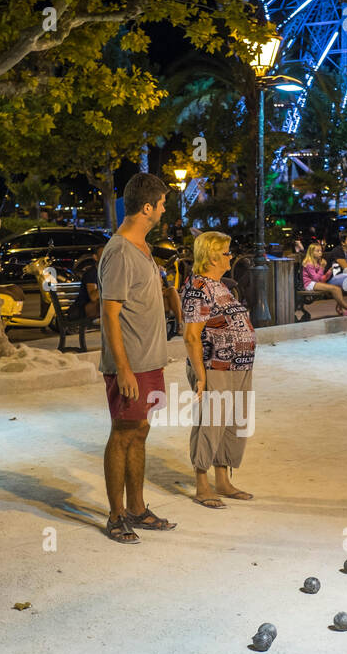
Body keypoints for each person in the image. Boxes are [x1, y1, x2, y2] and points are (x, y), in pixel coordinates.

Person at [100, 172, 181, 543]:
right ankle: (116, 516)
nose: (164, 209)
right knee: (123, 433)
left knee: (141, 430)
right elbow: (109, 314)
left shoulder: (143, 248)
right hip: (130, 366)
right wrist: (123, 369)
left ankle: (137, 508)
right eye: (162, 203)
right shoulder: (118, 251)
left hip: (150, 362)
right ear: (147, 207)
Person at [180, 232, 256, 510]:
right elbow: (190, 335)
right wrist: (201, 375)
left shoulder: (219, 285)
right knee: (210, 422)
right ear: (212, 256)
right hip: (214, 366)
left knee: (233, 422)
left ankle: (222, 480)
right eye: (226, 252)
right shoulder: (199, 286)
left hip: (239, 365)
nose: (230, 256)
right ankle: (202, 484)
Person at [301, 243, 347, 315]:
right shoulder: (309, 263)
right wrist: (322, 268)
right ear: (311, 252)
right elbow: (315, 278)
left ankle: (342, 310)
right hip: (309, 284)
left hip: (316, 283)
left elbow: (322, 278)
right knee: (335, 289)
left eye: (321, 251)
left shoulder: (318, 263)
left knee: (338, 288)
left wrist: (329, 271)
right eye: (317, 251)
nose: (320, 253)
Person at [71, 245, 103, 322]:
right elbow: (93, 297)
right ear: (95, 257)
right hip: (81, 310)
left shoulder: (107, 272)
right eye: (103, 254)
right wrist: (109, 283)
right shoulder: (91, 273)